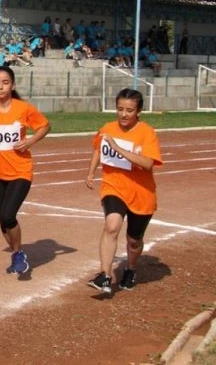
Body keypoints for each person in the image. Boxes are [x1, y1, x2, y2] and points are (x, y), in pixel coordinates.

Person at [0, 66, 51, 275]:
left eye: (5, 83)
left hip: (20, 170)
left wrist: (30, 141)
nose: (0, 87)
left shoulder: (23, 108)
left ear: (12, 85)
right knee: (3, 220)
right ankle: (17, 253)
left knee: (8, 214)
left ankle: (18, 254)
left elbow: (45, 126)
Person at [85, 89, 162, 294]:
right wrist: (91, 172)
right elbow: (97, 148)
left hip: (141, 194)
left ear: (138, 111)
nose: (123, 114)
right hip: (114, 186)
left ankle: (130, 268)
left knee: (134, 241)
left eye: (129, 110)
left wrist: (117, 147)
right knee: (112, 226)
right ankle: (105, 275)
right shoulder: (107, 128)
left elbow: (147, 163)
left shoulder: (147, 133)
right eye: (120, 109)